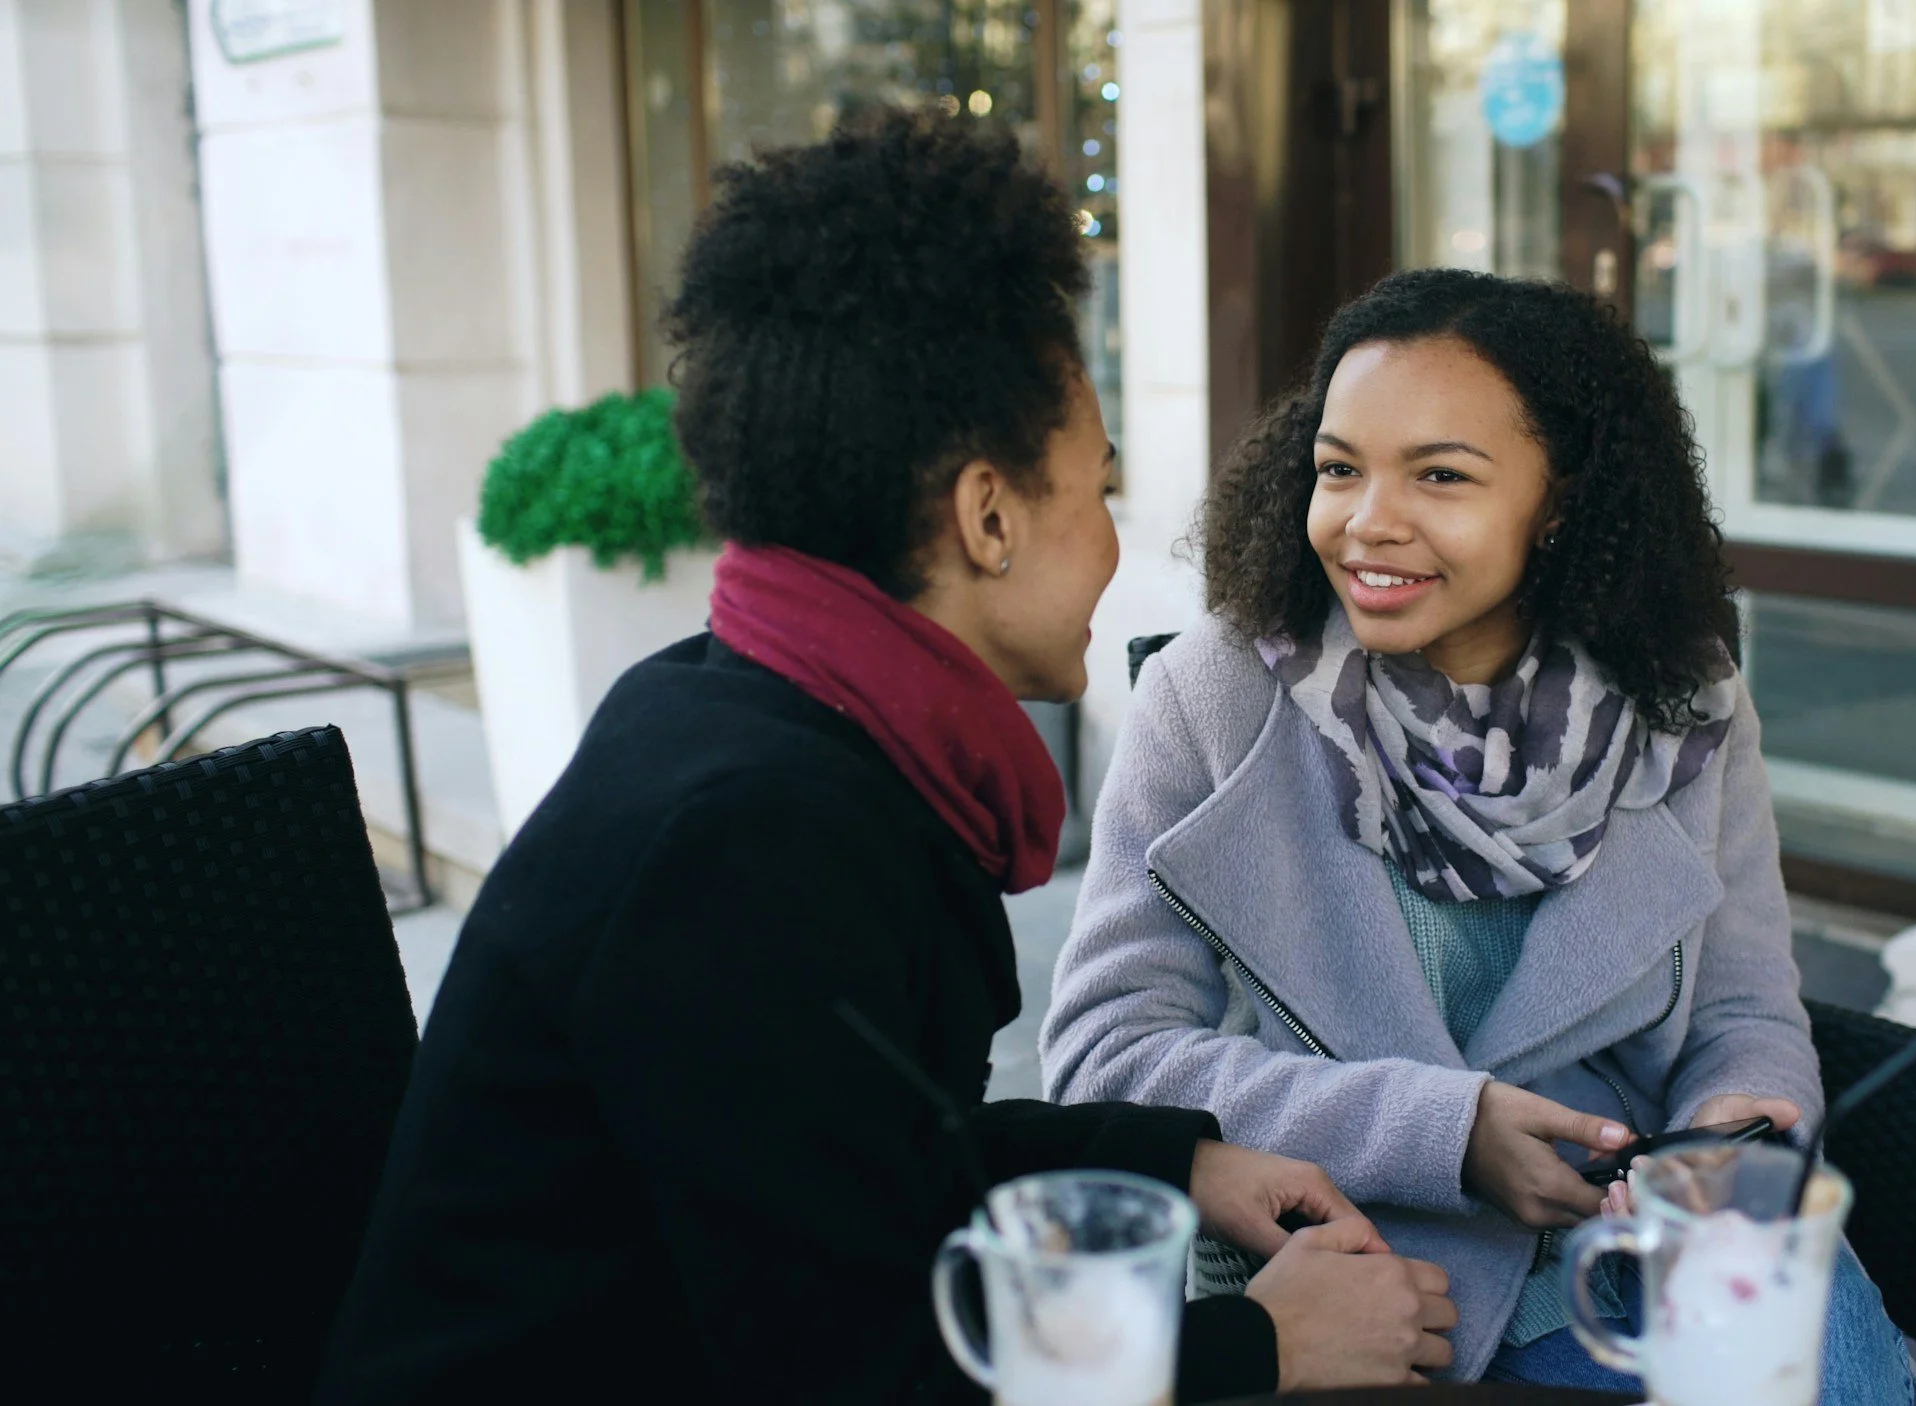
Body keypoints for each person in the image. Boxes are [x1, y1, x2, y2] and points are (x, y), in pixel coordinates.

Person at [318, 109, 1457, 1404]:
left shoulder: (765, 716)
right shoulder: (747, 842)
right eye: (1097, 490)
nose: (1109, 543)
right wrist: (1266, 1345)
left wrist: (1168, 1162)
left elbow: (850, 1152)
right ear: (988, 516)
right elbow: (859, 1366)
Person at [1040, 269, 1916, 1399]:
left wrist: (1727, 1130)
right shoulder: (1213, 696)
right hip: (1370, 1272)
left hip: (1647, 1245)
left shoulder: (1683, 703)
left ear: (1558, 500)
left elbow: (1744, 1009)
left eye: (1441, 476)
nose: (1367, 521)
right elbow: (1104, 1053)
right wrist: (1443, 1132)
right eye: (1338, 467)